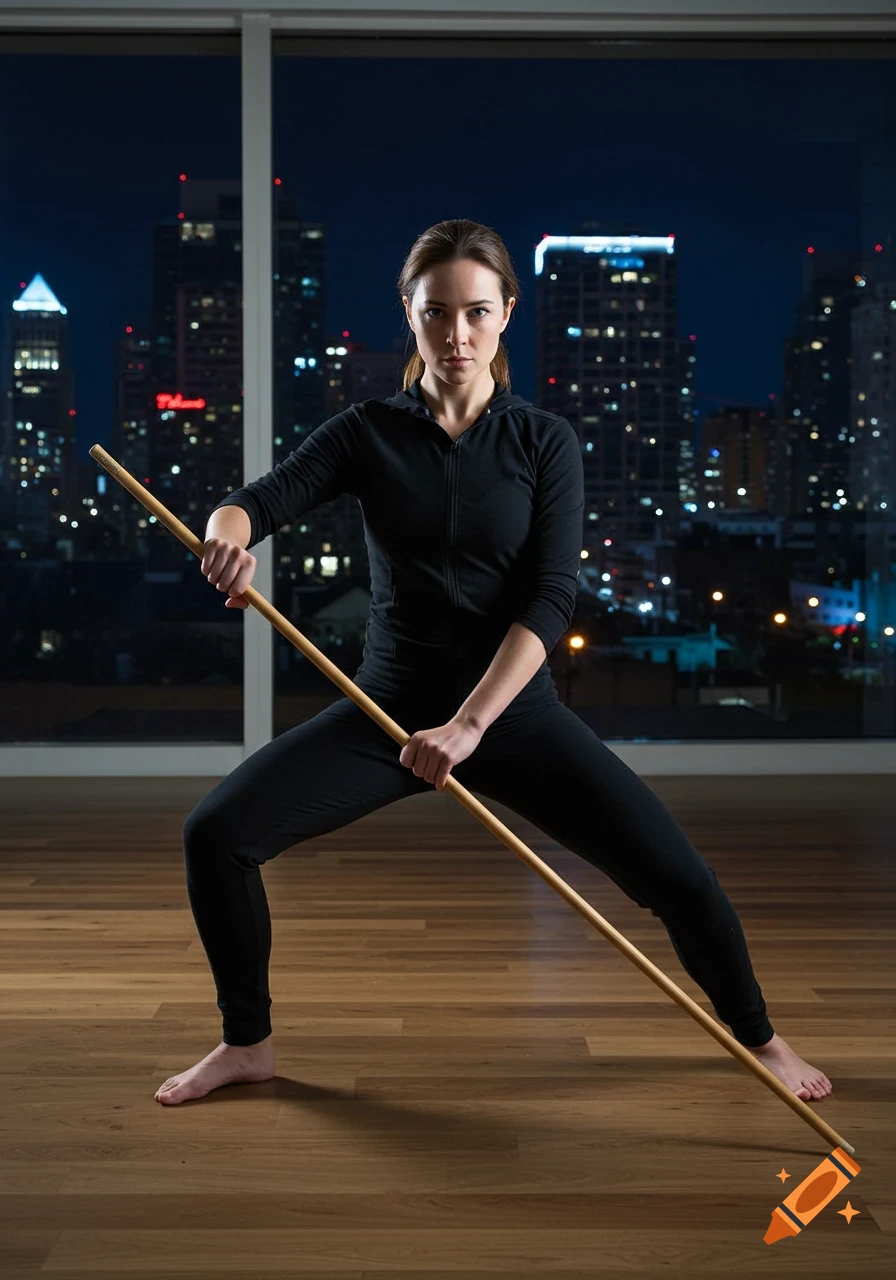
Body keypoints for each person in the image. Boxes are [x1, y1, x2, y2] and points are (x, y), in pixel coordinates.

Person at [155, 219, 832, 1107]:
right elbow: (254, 502)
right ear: (409, 313)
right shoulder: (367, 433)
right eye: (436, 312)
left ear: (507, 311)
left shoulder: (545, 441)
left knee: (679, 880)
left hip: (511, 716)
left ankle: (762, 1037)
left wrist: (471, 726)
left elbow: (550, 600)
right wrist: (225, 540)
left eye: (476, 311)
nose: (457, 334)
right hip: (389, 713)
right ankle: (247, 1043)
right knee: (215, 835)